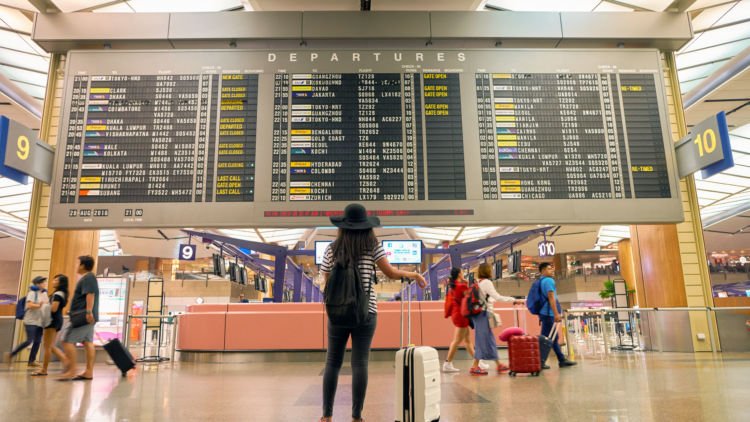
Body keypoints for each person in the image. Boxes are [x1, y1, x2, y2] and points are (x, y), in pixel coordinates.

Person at [319, 203, 426, 422]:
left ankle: (327, 416)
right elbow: (391, 272)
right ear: (366, 226)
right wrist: (413, 275)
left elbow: (326, 282)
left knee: (332, 362)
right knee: (360, 363)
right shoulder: (372, 246)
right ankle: (356, 416)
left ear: (343, 225)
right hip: (365, 312)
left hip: (337, 314)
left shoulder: (332, 248)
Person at [469, 263, 523, 376]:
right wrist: (514, 300)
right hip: (482, 314)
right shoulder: (487, 283)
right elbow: (497, 297)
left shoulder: (479, 283)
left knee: (489, 340)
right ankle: (474, 367)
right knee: (481, 340)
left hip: (480, 314)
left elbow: (489, 299)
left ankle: (498, 364)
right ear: (487, 271)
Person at [59, 255, 99, 381]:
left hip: (82, 316)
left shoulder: (88, 277)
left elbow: (90, 294)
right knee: (88, 342)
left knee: (66, 340)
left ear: (82, 265)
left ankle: (72, 370)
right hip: (85, 316)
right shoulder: (89, 277)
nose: (77, 266)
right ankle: (88, 371)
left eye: (78, 264)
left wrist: (88, 312)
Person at [538, 262, 576, 369]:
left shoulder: (541, 281)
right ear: (543, 271)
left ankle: (560, 359)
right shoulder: (548, 281)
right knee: (549, 338)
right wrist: (556, 314)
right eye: (549, 269)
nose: (552, 270)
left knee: (550, 338)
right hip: (549, 313)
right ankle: (542, 361)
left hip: (545, 313)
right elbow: (551, 297)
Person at [6, 276, 48, 367]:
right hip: (30, 321)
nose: (45, 284)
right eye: (43, 282)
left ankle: (31, 361)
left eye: (45, 282)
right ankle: (11, 354)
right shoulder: (32, 293)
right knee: (29, 341)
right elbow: (29, 305)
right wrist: (39, 305)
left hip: (39, 321)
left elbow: (46, 305)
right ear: (38, 284)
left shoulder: (44, 294)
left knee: (37, 341)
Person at [32, 274, 70, 376]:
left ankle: (44, 369)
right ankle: (65, 361)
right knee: (50, 346)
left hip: (52, 320)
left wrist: (43, 305)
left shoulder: (58, 294)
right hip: (56, 320)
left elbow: (53, 308)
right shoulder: (61, 293)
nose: (53, 281)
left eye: (56, 280)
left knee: (47, 346)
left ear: (61, 283)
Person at [442, 267, 475, 373]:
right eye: (462, 272)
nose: (463, 273)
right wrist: (469, 285)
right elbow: (470, 298)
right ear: (459, 274)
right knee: (457, 341)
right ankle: (447, 363)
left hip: (457, 314)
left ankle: (477, 361)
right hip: (462, 315)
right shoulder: (462, 286)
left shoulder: (454, 286)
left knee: (467, 340)